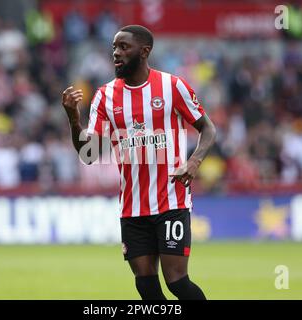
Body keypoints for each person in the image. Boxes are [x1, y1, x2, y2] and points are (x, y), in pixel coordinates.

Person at [61, 25, 216, 300]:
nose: (116, 54)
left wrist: (194, 162)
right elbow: (89, 153)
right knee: (145, 285)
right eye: (114, 48)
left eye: (123, 47)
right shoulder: (105, 96)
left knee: (177, 282)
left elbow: (208, 128)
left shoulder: (172, 87)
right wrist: (74, 119)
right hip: (132, 206)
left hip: (171, 199)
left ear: (145, 51)